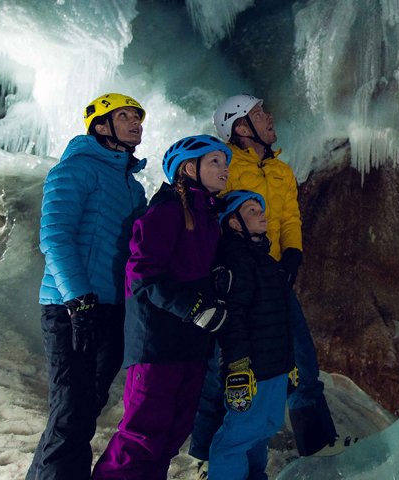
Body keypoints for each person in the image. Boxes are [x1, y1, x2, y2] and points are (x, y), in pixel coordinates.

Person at [189, 95, 351, 476]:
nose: (269, 117)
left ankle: (316, 441)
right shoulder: (227, 167)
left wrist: (293, 252)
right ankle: (206, 454)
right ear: (240, 127)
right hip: (238, 278)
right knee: (223, 366)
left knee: (301, 357)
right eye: (259, 114)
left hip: (274, 275)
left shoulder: (280, 169)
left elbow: (291, 216)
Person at [92, 135, 234, 479]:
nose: (224, 169)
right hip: (156, 342)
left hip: (191, 343)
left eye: (225, 162)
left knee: (172, 435)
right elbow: (141, 275)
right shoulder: (165, 211)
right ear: (189, 168)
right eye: (214, 161)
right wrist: (193, 307)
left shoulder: (207, 218)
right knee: (144, 434)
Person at [27, 93, 148, 480]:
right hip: (68, 308)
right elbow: (55, 236)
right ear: (100, 126)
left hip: (111, 310)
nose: (135, 124)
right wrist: (78, 301)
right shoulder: (74, 170)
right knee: (71, 412)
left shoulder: (133, 187)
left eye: (138, 118)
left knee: (84, 410)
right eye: (124, 116)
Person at [205, 190, 295, 479]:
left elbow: (279, 318)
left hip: (273, 366)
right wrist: (238, 366)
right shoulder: (234, 260)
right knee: (236, 437)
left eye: (261, 209)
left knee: (262, 430)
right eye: (252, 210)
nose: (262, 214)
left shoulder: (265, 261)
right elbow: (233, 318)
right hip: (252, 367)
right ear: (233, 223)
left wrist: (288, 362)